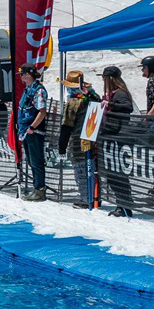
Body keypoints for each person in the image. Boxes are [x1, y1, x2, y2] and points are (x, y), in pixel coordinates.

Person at [98, 65, 136, 216]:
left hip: (118, 137)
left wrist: (110, 104)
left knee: (118, 175)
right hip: (110, 137)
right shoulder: (112, 94)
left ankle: (125, 205)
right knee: (112, 174)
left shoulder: (120, 93)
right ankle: (122, 204)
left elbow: (128, 107)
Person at [57, 70, 97, 208]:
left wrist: (61, 146)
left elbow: (66, 126)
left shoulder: (74, 102)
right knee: (91, 169)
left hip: (77, 141)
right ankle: (94, 197)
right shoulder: (91, 98)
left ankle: (85, 199)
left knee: (81, 172)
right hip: (91, 138)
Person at [14, 64, 50, 199]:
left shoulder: (38, 90)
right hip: (25, 130)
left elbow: (42, 111)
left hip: (34, 131)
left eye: (23, 74)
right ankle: (36, 188)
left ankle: (40, 189)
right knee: (30, 160)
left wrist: (33, 127)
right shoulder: (27, 89)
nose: (21, 77)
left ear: (29, 74)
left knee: (36, 161)